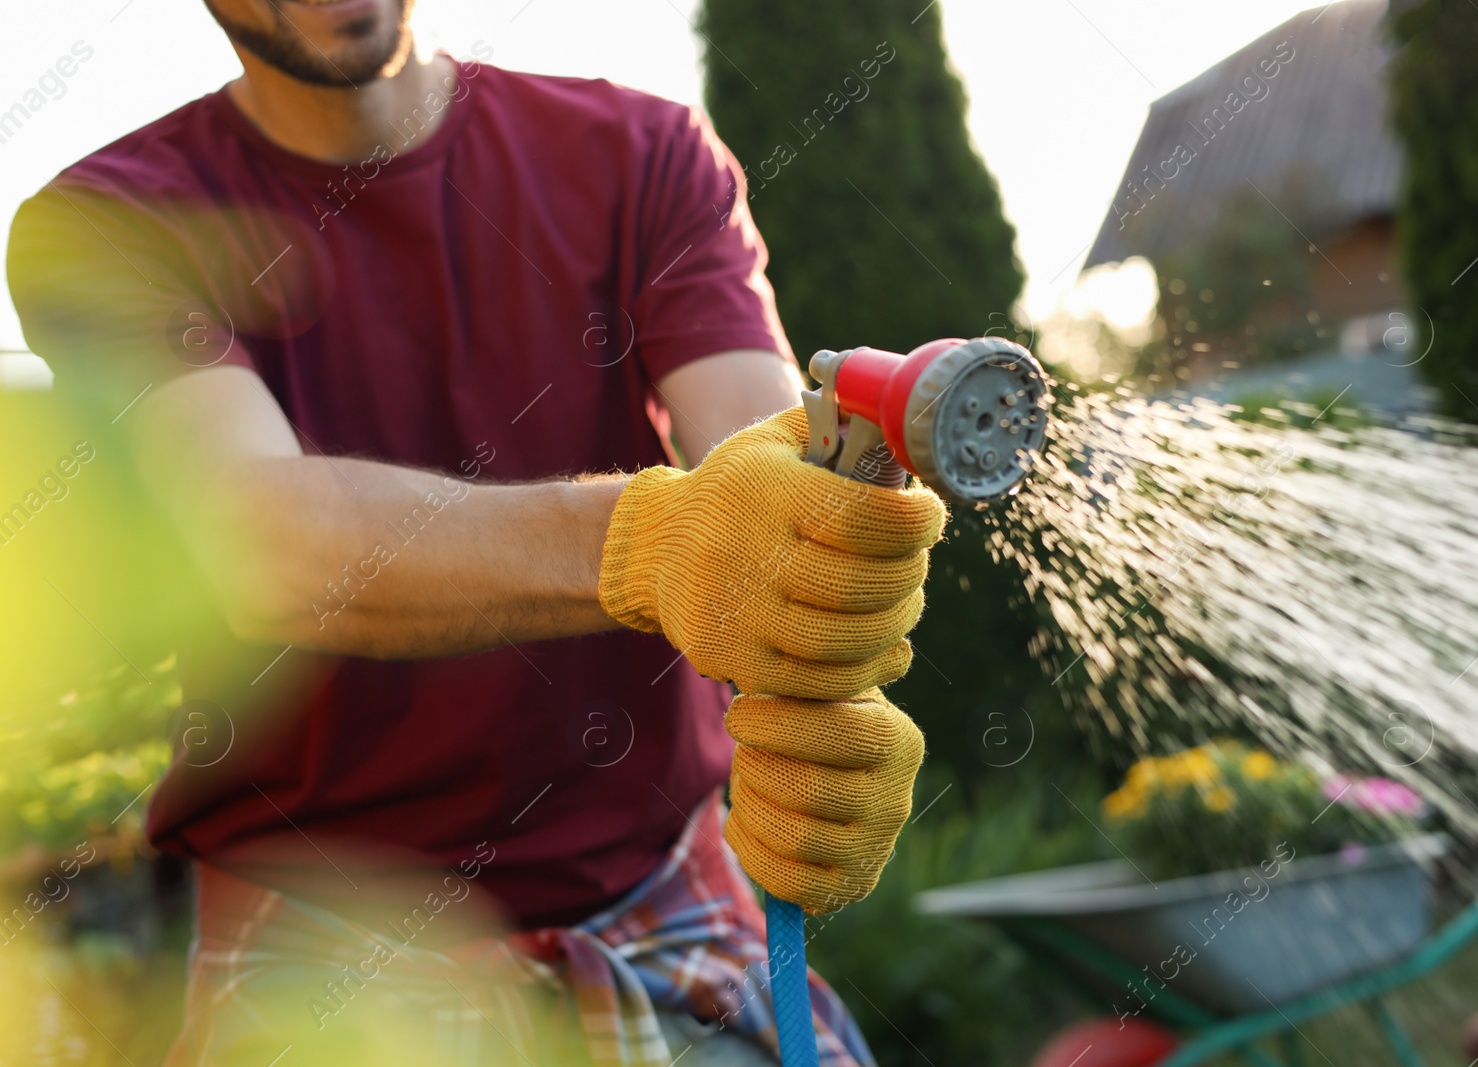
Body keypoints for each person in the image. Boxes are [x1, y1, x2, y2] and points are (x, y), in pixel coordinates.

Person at [6, 1, 946, 1064]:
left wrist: (814, 638)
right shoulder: (106, 222)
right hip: (317, 952)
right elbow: (262, 541)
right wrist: (654, 538)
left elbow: (763, 473)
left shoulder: (642, 153)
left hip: (655, 893)